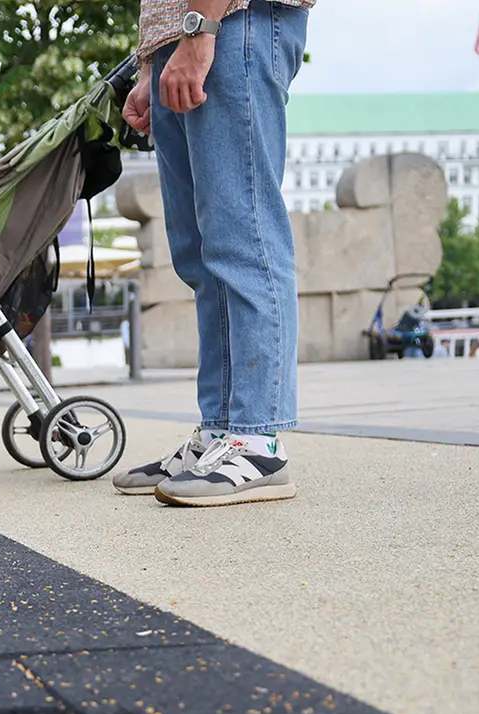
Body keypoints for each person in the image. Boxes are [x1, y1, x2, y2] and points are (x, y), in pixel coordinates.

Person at [113, 0, 313, 508]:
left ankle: (258, 439)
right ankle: (221, 433)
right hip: (182, 38)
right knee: (200, 256)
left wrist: (201, 27)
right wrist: (151, 61)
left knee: (244, 238)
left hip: (231, 22)